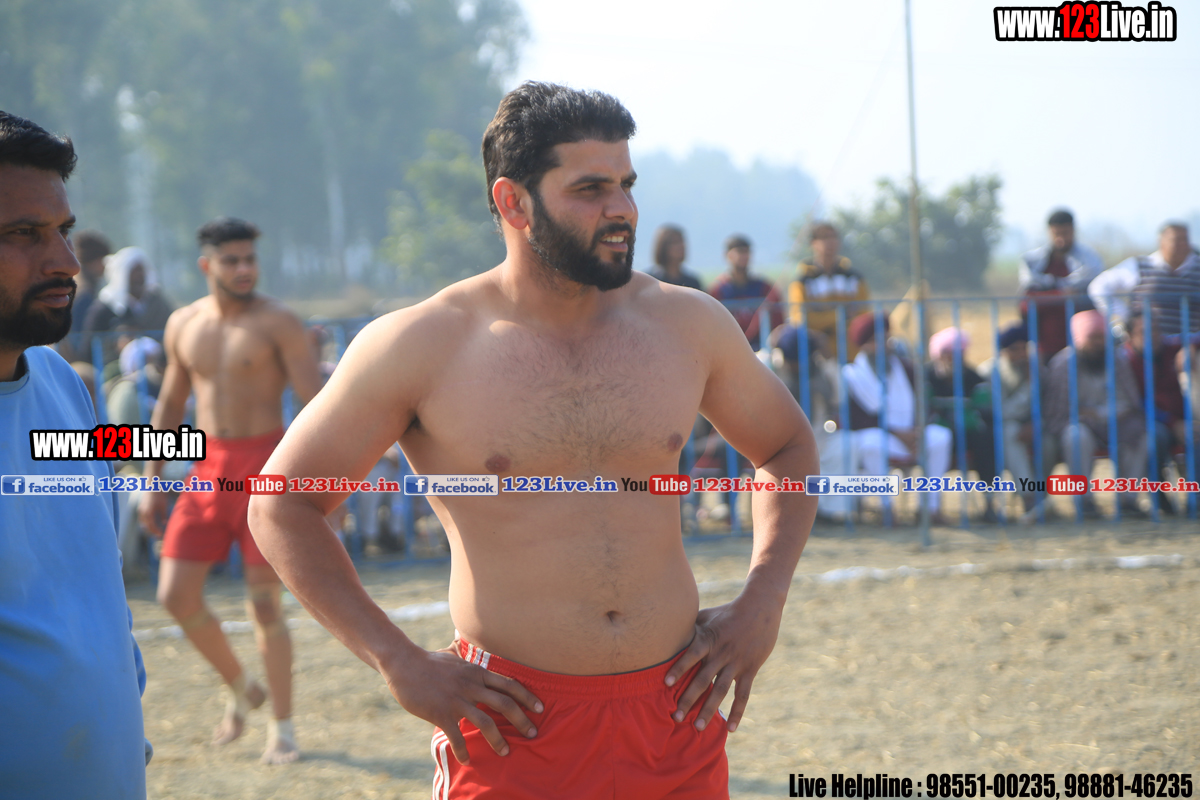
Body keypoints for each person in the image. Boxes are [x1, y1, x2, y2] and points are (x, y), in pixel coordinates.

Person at [249, 82, 819, 799]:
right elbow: (281, 503)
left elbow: (787, 448)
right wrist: (397, 660)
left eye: (626, 185)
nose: (622, 208)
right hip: (511, 727)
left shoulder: (687, 323)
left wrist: (764, 599)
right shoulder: (424, 342)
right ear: (513, 202)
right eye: (590, 189)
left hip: (676, 714)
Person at [0, 110, 150, 796]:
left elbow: (98, 587)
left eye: (62, 230)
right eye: (23, 234)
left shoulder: (63, 383)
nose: (63, 260)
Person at [140, 216, 322, 764]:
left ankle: (283, 730)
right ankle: (243, 687)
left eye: (250, 259)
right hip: (206, 466)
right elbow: (171, 405)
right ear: (207, 265)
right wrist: (152, 482)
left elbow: (317, 408)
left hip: (266, 466)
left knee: (265, 606)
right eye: (232, 260)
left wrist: (320, 489)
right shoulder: (183, 323)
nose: (245, 269)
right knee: (175, 595)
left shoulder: (279, 322)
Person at [842, 312, 952, 523]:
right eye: (876, 341)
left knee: (941, 437)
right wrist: (896, 433)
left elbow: (923, 404)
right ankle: (887, 508)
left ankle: (929, 509)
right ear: (864, 346)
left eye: (886, 339)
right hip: (881, 435)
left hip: (911, 434)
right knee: (869, 444)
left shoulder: (906, 368)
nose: (884, 346)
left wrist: (917, 430)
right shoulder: (852, 374)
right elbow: (857, 419)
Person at [1042, 310, 1146, 518]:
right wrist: (1090, 415)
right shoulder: (1063, 364)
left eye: (1102, 337)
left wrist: (1101, 413)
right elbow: (1059, 412)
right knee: (1076, 436)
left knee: (1143, 435)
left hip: (1118, 421)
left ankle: (1128, 500)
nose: (1099, 343)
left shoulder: (1117, 360)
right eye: (1093, 338)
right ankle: (1084, 501)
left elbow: (1130, 401)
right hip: (1080, 424)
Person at [926, 327, 999, 520]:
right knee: (936, 440)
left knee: (986, 440)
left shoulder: (975, 379)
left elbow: (983, 413)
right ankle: (931, 509)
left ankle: (989, 504)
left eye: (957, 354)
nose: (952, 359)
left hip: (968, 433)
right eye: (947, 353)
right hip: (938, 434)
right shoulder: (926, 378)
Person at [1089, 222, 1200, 338]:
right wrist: (1123, 315)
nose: (1182, 245)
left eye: (1184, 240)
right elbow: (1098, 287)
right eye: (1176, 240)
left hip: (1191, 342)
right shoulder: (1139, 266)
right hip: (1147, 344)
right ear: (1161, 242)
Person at [1123, 311, 1186, 515]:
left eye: (1156, 329)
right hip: (1149, 421)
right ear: (1130, 336)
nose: (1153, 335)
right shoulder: (1123, 360)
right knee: (1154, 438)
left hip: (1183, 419)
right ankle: (1159, 498)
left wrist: (1190, 350)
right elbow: (1136, 404)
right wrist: (1172, 423)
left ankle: (1195, 500)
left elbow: (1194, 337)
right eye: (1144, 331)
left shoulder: (1173, 348)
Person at [1019, 209, 1103, 361]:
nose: (1061, 239)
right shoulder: (1033, 261)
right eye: (1056, 234)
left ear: (1073, 231)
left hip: (1080, 346)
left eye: (1065, 233)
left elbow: (1090, 295)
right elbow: (1028, 301)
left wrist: (1047, 297)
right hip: (1044, 344)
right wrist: (1062, 295)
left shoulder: (1090, 260)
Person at [975, 323, 1038, 511]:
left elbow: (1049, 406)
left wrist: (1035, 424)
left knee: (1048, 444)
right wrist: (1029, 386)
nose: (1021, 354)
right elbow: (1002, 411)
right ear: (1003, 351)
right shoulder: (989, 372)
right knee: (1010, 432)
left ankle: (1041, 496)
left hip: (1036, 426)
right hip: (1000, 427)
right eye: (1014, 349)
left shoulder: (1037, 369)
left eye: (1024, 348)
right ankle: (1028, 497)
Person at [788, 221, 870, 360]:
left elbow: (864, 316)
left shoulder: (854, 278)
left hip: (853, 352)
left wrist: (823, 318)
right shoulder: (802, 281)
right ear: (813, 243)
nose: (830, 242)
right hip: (818, 356)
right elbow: (801, 319)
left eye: (834, 237)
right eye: (825, 237)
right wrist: (842, 315)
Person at [83, 245, 175, 363]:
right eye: (134, 271)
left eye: (141, 270)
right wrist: (116, 342)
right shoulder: (104, 308)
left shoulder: (158, 304)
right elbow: (89, 348)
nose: (139, 276)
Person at [708, 234, 783, 350]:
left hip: (761, 347)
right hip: (729, 349)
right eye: (739, 252)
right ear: (727, 255)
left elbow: (778, 322)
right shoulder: (718, 291)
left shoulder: (764, 288)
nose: (744, 256)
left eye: (746, 252)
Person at [56, 228, 111, 361]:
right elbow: (80, 338)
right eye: (103, 262)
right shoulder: (84, 294)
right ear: (96, 261)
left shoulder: (72, 285)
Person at [648, 224, 703, 290]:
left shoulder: (692, 283)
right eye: (675, 242)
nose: (681, 246)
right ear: (663, 247)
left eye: (682, 241)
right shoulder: (651, 280)